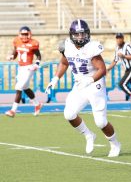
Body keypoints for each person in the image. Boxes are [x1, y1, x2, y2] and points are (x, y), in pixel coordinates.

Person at [45, 19, 121, 157]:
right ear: (71, 35)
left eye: (83, 34)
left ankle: (115, 143)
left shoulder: (92, 47)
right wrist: (55, 78)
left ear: (88, 34)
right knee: (69, 114)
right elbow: (63, 63)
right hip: (80, 85)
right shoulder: (67, 46)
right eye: (77, 34)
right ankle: (88, 135)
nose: (80, 37)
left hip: (95, 85)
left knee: (100, 121)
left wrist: (90, 79)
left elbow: (102, 69)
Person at [5, 26, 43, 117]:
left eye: (26, 34)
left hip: (29, 67)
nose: (25, 36)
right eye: (23, 34)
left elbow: (38, 55)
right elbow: (15, 53)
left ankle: (13, 110)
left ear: (29, 34)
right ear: (20, 34)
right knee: (25, 87)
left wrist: (36, 64)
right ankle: (37, 104)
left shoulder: (33, 43)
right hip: (20, 68)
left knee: (19, 87)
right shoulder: (17, 41)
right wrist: (11, 56)